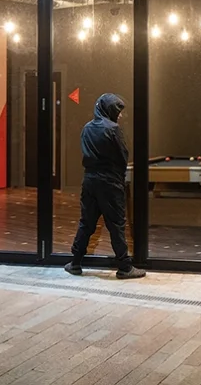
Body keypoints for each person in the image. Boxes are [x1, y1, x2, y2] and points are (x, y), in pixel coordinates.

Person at [65, 93, 146, 279]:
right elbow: (122, 155)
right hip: (109, 182)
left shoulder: (86, 128)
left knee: (86, 222)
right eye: (118, 110)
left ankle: (75, 262)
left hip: (89, 181)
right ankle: (125, 267)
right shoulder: (113, 129)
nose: (120, 115)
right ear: (109, 109)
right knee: (116, 224)